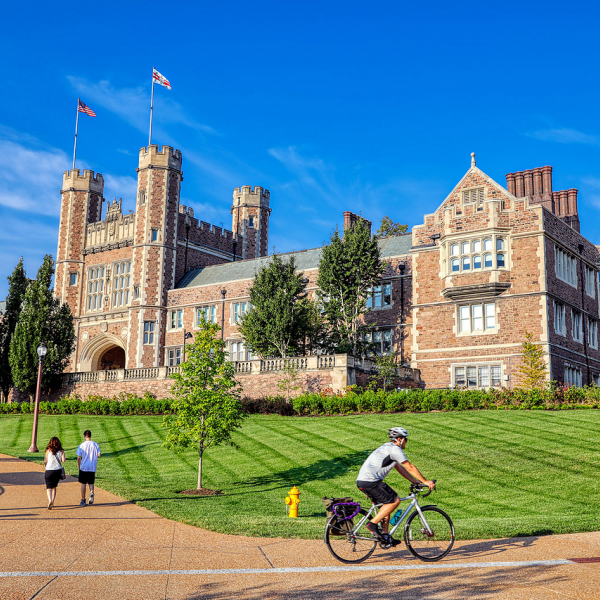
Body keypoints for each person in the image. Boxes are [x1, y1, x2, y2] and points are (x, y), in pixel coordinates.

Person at [356, 427, 435, 541]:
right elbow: (410, 467)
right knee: (394, 501)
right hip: (371, 481)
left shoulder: (386, 447)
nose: (406, 442)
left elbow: (400, 468)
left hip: (363, 481)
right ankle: (372, 524)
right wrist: (426, 481)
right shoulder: (395, 450)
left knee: (386, 506)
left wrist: (414, 481)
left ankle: (385, 536)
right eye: (405, 439)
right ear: (399, 439)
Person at [76, 430, 101, 507]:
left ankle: (83, 500)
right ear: (90, 435)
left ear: (84, 436)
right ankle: (92, 492)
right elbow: (99, 454)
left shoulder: (82, 445)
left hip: (84, 467)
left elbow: (78, 457)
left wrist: (79, 466)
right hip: (92, 467)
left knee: (83, 483)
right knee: (91, 482)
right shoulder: (96, 444)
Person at [44, 437, 65, 510]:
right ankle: (53, 501)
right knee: (54, 487)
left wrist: (45, 467)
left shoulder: (48, 450)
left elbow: (45, 461)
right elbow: (63, 460)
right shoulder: (61, 451)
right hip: (57, 470)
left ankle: (50, 500)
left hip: (49, 470)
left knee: (48, 487)